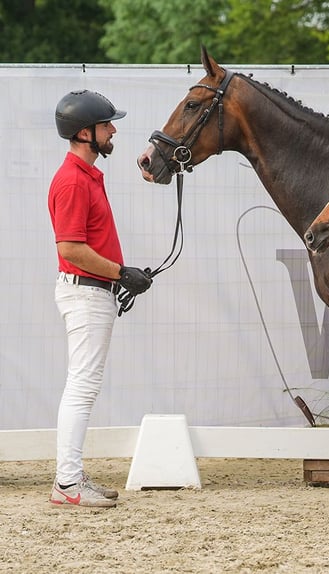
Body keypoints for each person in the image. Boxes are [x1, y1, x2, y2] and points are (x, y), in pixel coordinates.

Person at [48, 90, 152, 507]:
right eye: (107, 125)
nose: (114, 130)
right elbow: (70, 248)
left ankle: (70, 477)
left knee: (82, 386)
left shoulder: (85, 176)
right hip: (87, 294)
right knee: (82, 387)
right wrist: (119, 273)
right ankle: (68, 483)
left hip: (95, 292)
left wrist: (121, 276)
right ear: (85, 132)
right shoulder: (73, 180)